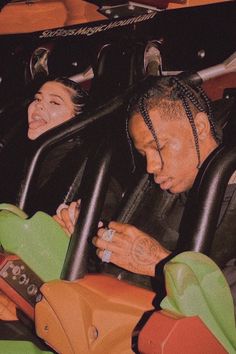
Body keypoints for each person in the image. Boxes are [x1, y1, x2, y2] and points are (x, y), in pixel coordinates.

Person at [56, 76, 236, 301]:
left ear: (199, 127)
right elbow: (119, 266)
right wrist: (85, 238)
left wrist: (159, 264)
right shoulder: (156, 190)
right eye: (143, 154)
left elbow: (226, 311)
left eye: (159, 147)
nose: (151, 166)